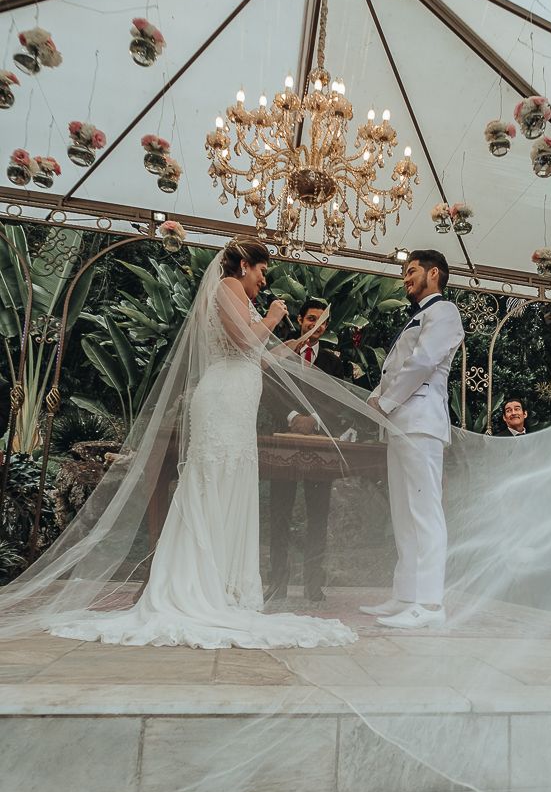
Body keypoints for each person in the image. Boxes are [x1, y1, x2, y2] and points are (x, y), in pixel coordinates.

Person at [46, 237, 357, 650]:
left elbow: (255, 357)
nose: (264, 282)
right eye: (263, 272)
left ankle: (220, 587)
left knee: (227, 485)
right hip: (224, 403)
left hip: (235, 402)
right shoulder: (228, 285)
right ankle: (199, 586)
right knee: (213, 483)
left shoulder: (235, 294)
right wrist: (273, 315)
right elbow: (247, 342)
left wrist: (295, 342)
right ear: (244, 264)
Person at [360, 250, 464, 630]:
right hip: (401, 420)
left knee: (425, 513)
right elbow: (400, 368)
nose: (405, 277)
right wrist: (377, 393)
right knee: (403, 513)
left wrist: (385, 401)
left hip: (420, 420)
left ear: (433, 273)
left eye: (412, 271)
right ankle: (405, 595)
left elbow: (422, 363)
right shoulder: (418, 316)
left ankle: (431, 604)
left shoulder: (444, 312)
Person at [266, 297, 344, 604]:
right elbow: (269, 390)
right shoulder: (282, 355)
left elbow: (338, 399)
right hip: (283, 442)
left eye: (322, 321)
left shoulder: (334, 361)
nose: (316, 325)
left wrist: (315, 420)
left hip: (320, 445)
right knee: (279, 515)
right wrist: (292, 418)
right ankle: (277, 584)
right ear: (301, 320)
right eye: (311, 319)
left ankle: (313, 584)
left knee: (318, 516)